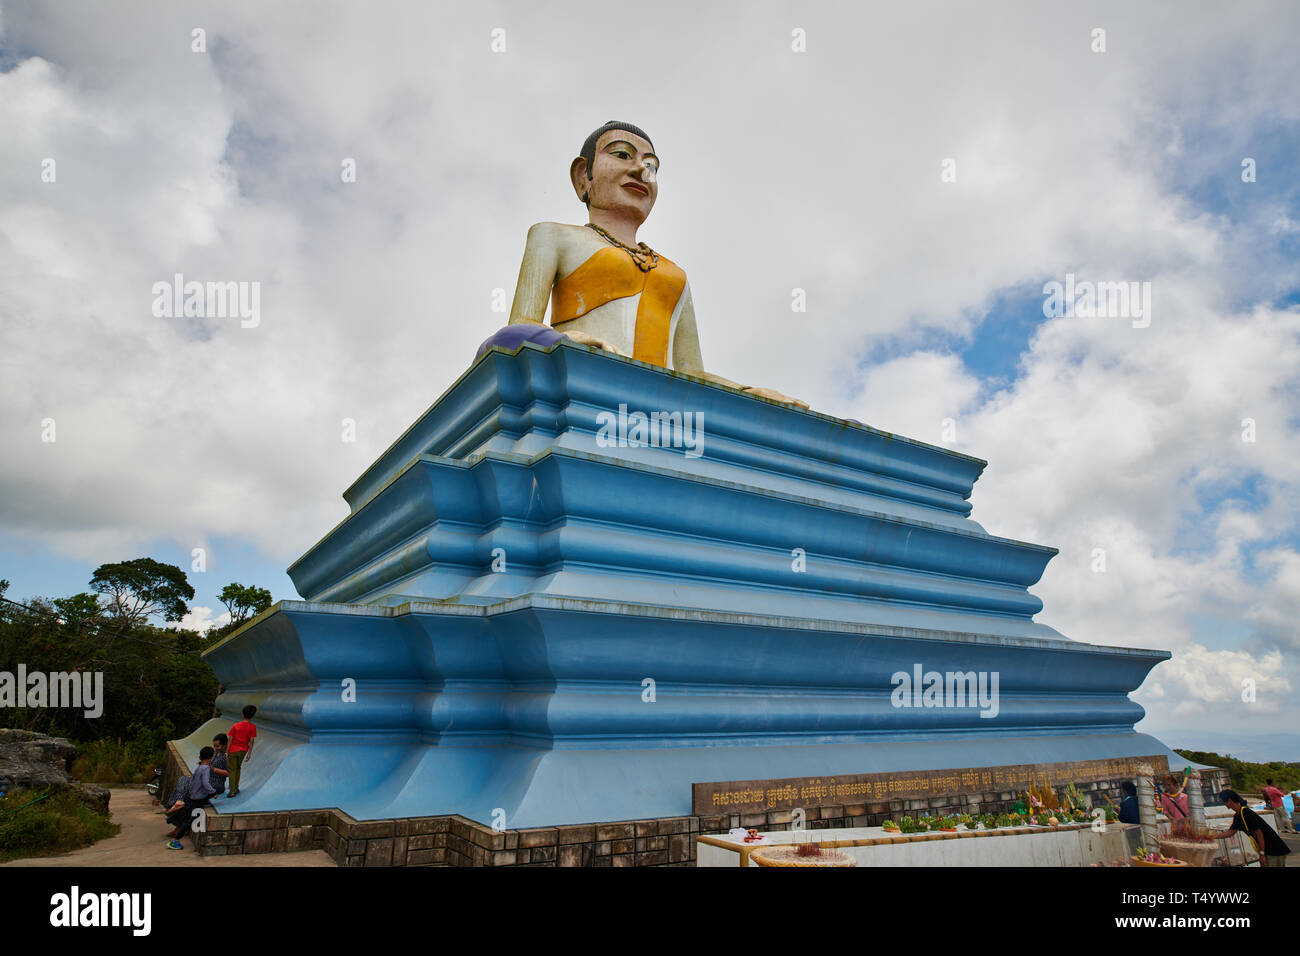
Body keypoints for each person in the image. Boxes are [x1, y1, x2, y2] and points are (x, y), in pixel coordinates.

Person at [507, 121, 804, 407]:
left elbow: (690, 372)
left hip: (660, 413)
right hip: (582, 388)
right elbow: (520, 327)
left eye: (651, 166)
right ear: (584, 176)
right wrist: (564, 341)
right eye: (622, 155)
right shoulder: (554, 236)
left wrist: (748, 393)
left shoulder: (676, 276)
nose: (640, 170)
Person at [1220, 789, 1291, 867]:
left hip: (1274, 849)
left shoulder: (1246, 812)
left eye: (1224, 801)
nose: (1224, 804)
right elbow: (1230, 832)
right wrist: (1212, 836)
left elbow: (1259, 833)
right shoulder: (1238, 816)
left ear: (1229, 800)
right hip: (1266, 850)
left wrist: (1262, 854)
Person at [165, 746, 216, 849]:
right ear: (211, 757)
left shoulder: (199, 767)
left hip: (192, 797)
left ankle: (176, 837)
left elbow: (192, 782)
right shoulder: (206, 768)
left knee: (187, 818)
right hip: (197, 800)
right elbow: (206, 783)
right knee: (189, 821)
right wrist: (213, 792)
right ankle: (175, 841)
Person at [226, 704, 257, 798]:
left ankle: (231, 791)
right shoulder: (252, 727)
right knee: (238, 768)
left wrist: (227, 751)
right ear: (252, 716)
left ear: (242, 715)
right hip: (243, 750)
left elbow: (230, 739)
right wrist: (249, 753)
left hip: (233, 750)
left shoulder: (236, 726)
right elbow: (251, 741)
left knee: (232, 770)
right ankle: (236, 788)